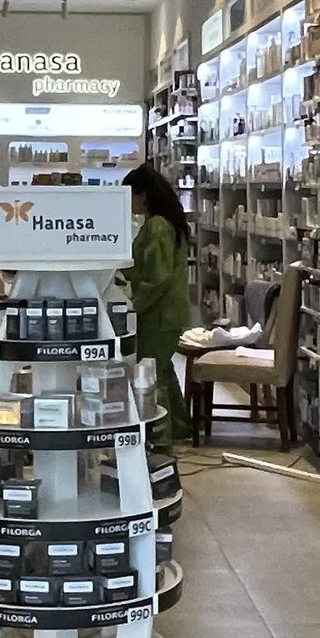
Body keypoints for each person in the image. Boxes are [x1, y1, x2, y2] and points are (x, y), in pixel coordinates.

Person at [124, 159, 193, 445]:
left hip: (159, 314)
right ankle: (178, 427)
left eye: (130, 196)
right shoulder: (163, 224)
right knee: (163, 370)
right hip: (167, 312)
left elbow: (157, 277)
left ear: (143, 194)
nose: (129, 203)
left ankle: (160, 438)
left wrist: (133, 307)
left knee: (152, 373)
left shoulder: (158, 227)